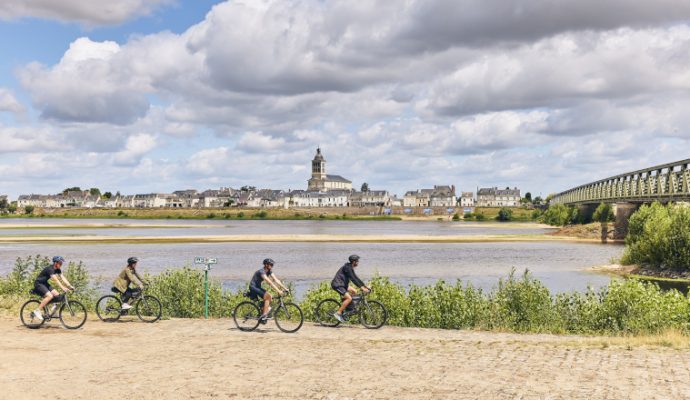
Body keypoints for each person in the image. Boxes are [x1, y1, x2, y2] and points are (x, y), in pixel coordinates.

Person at [32, 256, 74, 321]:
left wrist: (70, 286)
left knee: (57, 295)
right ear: (55, 263)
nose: (61, 264)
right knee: (50, 296)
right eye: (60, 263)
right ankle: (37, 311)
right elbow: (56, 280)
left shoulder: (57, 269)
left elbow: (63, 278)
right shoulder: (50, 269)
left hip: (44, 283)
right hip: (38, 284)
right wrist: (63, 287)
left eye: (61, 263)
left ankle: (53, 312)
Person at [331, 254, 370, 323]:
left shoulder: (350, 267)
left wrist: (365, 286)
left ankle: (347, 308)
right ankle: (338, 313)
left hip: (343, 284)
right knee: (349, 298)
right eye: (357, 261)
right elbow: (353, 279)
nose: (358, 262)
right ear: (354, 262)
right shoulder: (347, 268)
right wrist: (362, 288)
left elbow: (356, 278)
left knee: (354, 291)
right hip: (338, 284)